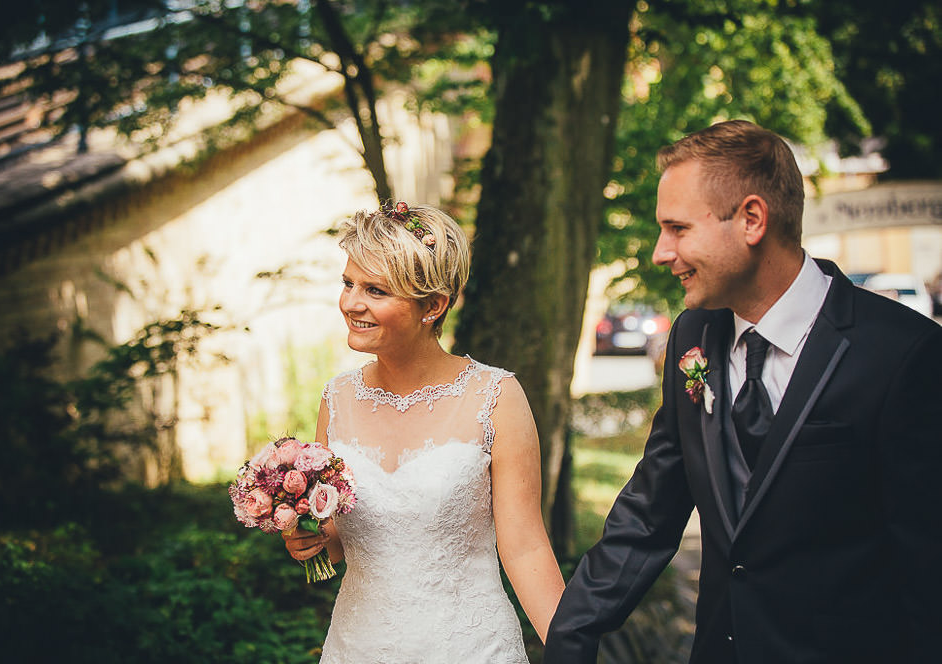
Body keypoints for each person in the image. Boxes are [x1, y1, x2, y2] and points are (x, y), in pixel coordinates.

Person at [545, 120, 942, 664]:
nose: (661, 253)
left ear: (752, 219)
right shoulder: (692, 337)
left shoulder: (903, 354)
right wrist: (568, 637)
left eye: (678, 229)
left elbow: (927, 566)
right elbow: (648, 514)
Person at [283, 201, 565, 662]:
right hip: (359, 646)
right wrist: (306, 539)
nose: (352, 303)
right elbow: (335, 546)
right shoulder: (336, 401)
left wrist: (570, 649)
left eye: (375, 290)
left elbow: (526, 547)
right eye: (348, 283)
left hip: (471, 647)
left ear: (433, 306)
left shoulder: (496, 397)